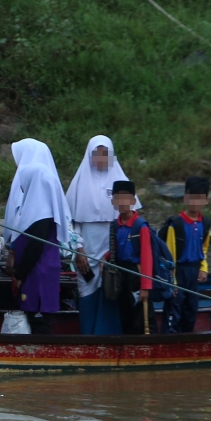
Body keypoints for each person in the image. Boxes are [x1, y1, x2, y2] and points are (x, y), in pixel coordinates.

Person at [65, 136, 134, 334]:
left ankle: (110, 338)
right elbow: (72, 222)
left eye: (106, 154)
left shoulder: (120, 183)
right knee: (86, 290)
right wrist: (79, 249)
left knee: (112, 290)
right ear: (90, 156)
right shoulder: (79, 184)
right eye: (97, 154)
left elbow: (128, 220)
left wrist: (112, 254)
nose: (101, 158)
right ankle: (89, 336)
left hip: (112, 252)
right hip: (86, 252)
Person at [7, 162, 68, 334]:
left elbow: (35, 246)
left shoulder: (42, 212)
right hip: (35, 271)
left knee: (38, 319)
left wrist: (19, 274)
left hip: (37, 272)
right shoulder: (36, 209)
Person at [160, 176, 211, 333]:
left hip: (193, 272)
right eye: (192, 198)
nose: (195, 202)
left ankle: (186, 340)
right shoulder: (175, 224)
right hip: (178, 271)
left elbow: (204, 249)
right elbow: (169, 255)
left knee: (191, 310)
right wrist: (172, 281)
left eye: (200, 198)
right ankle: (168, 342)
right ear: (185, 198)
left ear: (206, 201)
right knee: (174, 310)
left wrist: (203, 267)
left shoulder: (206, 223)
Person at [110, 180, 156, 334]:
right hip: (121, 274)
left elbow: (147, 258)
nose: (122, 202)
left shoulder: (140, 226)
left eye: (126, 198)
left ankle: (146, 347)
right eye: (118, 198)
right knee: (125, 313)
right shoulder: (116, 225)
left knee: (141, 317)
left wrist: (145, 286)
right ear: (113, 201)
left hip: (136, 275)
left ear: (133, 201)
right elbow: (115, 247)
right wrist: (106, 258)